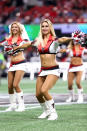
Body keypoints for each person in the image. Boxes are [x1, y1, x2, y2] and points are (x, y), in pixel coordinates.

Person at [13, 19, 72, 120]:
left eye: (46, 26)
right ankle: (46, 111)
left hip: (53, 70)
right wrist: (16, 48)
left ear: (50, 28)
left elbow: (64, 39)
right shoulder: (38, 40)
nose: (44, 28)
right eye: (43, 26)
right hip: (42, 70)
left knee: (44, 90)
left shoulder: (54, 39)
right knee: (38, 94)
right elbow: (28, 44)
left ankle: (53, 113)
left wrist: (72, 39)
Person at [0, 21, 29, 112]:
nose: (14, 28)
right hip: (12, 64)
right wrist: (6, 49)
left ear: (19, 28)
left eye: (16, 27)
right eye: (13, 27)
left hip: (21, 63)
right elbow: (1, 44)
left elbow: (28, 44)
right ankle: (12, 105)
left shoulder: (22, 38)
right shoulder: (8, 39)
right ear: (10, 29)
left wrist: (16, 47)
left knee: (15, 84)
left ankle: (21, 105)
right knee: (9, 86)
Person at [60, 30, 87, 103]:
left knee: (78, 82)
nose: (76, 41)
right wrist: (58, 50)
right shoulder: (70, 48)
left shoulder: (83, 48)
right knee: (69, 84)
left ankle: (80, 97)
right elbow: (64, 51)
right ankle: (71, 97)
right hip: (71, 67)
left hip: (80, 67)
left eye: (77, 40)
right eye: (75, 40)